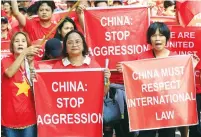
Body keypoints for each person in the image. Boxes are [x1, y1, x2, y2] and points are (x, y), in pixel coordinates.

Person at [116, 22, 200, 137]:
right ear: (149, 38)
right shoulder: (141, 57)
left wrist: (190, 67)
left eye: (161, 35)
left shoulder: (175, 58)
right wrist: (125, 71)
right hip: (147, 110)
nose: (157, 39)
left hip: (168, 110)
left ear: (167, 38)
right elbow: (134, 83)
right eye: (154, 35)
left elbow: (181, 83)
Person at [1, 31, 40, 137]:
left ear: (27, 45)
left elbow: (37, 93)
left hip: (30, 119)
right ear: (12, 45)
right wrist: (24, 53)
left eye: (23, 41)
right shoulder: (5, 60)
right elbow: (9, 73)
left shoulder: (32, 63)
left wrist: (31, 66)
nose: (20, 43)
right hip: (9, 120)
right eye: (17, 41)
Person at [53, 30, 111, 95]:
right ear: (65, 47)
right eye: (70, 42)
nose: (74, 45)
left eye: (77, 42)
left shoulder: (93, 66)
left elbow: (103, 93)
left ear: (83, 45)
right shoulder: (58, 67)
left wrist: (106, 79)